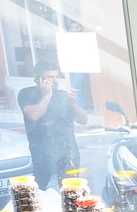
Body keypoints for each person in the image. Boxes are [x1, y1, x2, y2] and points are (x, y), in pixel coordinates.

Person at [18, 60, 88, 189]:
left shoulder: (63, 95)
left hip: (68, 151)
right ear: (39, 79)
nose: (55, 80)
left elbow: (84, 120)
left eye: (56, 76)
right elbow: (34, 115)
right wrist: (47, 95)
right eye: (50, 77)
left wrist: (73, 104)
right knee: (45, 189)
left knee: (71, 190)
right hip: (43, 154)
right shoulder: (27, 94)